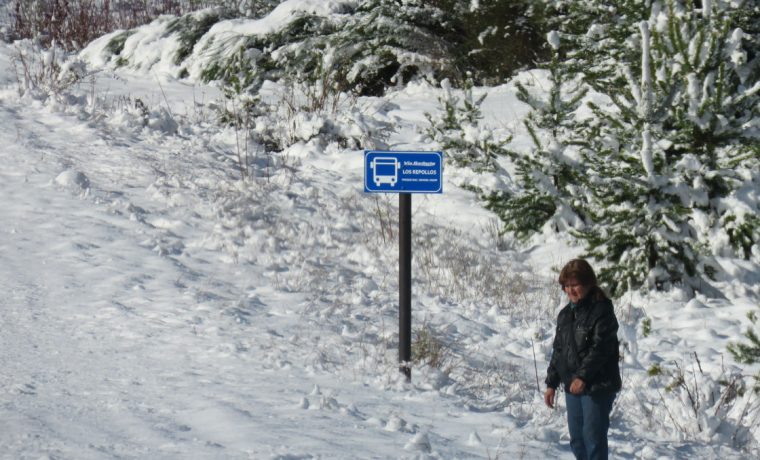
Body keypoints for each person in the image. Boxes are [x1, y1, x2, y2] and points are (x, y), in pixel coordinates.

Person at [544, 259, 621, 460]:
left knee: (593, 439)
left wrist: (583, 377)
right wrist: (552, 383)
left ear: (588, 284)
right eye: (566, 286)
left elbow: (601, 349)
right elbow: (559, 350)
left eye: (574, 285)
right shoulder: (565, 315)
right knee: (577, 440)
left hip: (597, 386)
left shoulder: (602, 310)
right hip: (573, 386)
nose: (570, 291)